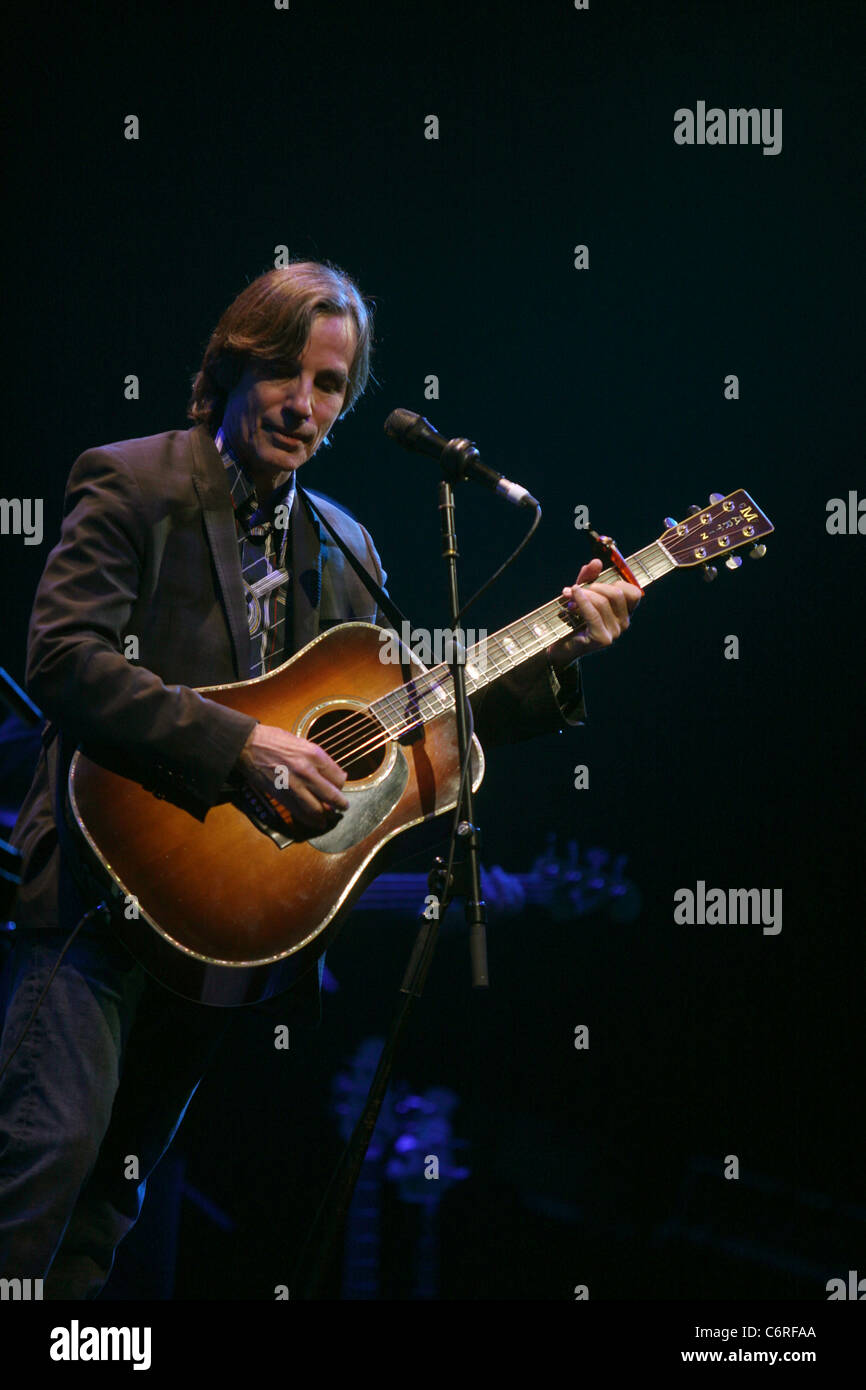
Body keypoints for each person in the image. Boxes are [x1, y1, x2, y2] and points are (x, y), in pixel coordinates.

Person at [0, 260, 641, 1298]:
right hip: (95, 893)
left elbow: (411, 720)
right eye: (283, 372)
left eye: (331, 384)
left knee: (103, 1213)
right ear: (230, 366)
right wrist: (238, 746)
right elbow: (65, 660)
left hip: (228, 921)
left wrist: (557, 651)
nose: (304, 404)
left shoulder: (345, 542)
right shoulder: (131, 480)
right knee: (40, 1171)